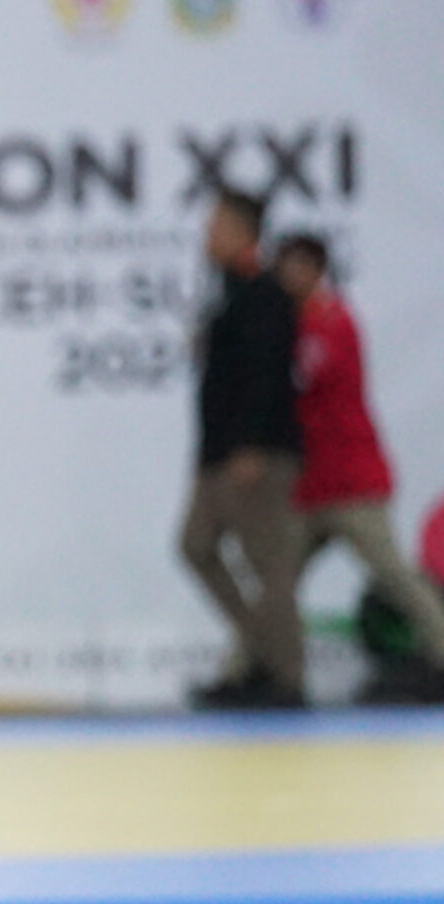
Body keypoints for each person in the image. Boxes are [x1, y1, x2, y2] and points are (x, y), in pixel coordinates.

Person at [275, 233, 444, 702]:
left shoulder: (332, 322)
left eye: (295, 266)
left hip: (351, 480)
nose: (287, 276)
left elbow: (301, 377)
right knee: (276, 582)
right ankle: (252, 669)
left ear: (315, 270)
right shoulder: (293, 324)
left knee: (397, 577)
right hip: (310, 485)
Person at [180, 187, 307, 710]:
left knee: (270, 567)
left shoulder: (263, 292)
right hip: (219, 452)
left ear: (241, 231)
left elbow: (268, 374)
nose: (207, 235)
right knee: (196, 545)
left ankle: (285, 678)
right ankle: (259, 654)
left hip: (252, 454)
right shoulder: (230, 290)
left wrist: (252, 443)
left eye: (216, 224)